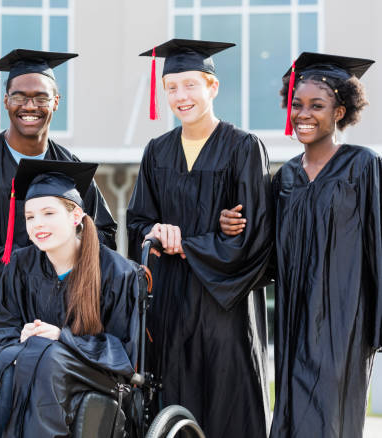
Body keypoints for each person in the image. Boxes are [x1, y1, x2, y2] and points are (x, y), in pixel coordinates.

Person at [0, 49, 117, 400]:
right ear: (5, 101)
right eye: (19, 96)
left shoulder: (71, 169)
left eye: (40, 97)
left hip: (52, 323)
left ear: (56, 102)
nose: (29, 106)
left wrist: (57, 289)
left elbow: (102, 237)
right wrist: (15, 302)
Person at [220, 52, 381, 438]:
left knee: (329, 416)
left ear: (340, 111)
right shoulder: (286, 177)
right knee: (290, 412)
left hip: (344, 320)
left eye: (317, 105)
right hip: (294, 317)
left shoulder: (362, 166)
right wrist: (231, 230)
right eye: (297, 104)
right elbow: (268, 256)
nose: (303, 114)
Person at [126, 39, 273, 438]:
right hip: (170, 304)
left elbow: (255, 235)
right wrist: (154, 232)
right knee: (172, 401)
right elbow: (138, 221)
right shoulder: (156, 152)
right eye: (171, 87)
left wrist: (187, 244)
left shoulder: (244, 147)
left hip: (224, 305)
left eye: (190, 85)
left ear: (213, 86)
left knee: (229, 403)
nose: (180, 96)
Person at [0, 159, 139, 437]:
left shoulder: (117, 273)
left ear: (75, 217)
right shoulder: (20, 265)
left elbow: (123, 352)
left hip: (94, 375)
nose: (38, 224)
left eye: (48, 213)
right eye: (30, 217)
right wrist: (25, 336)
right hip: (32, 365)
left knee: (49, 358)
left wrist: (62, 337)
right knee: (5, 364)